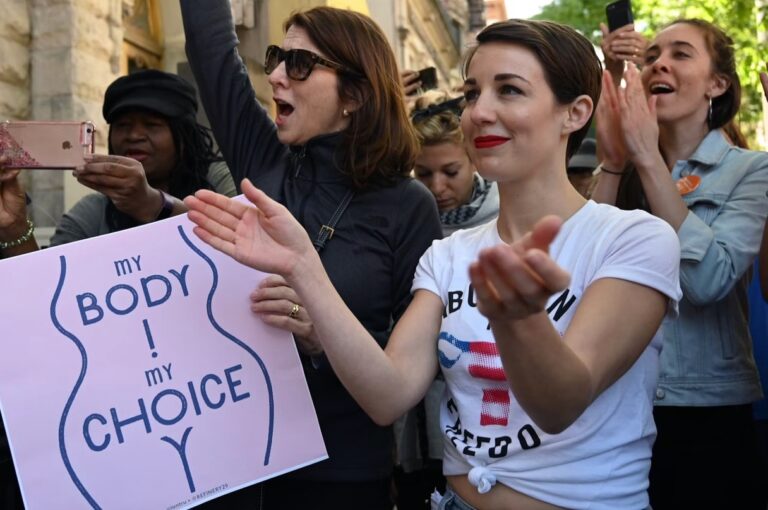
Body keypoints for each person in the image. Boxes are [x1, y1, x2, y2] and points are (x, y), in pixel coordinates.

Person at [185, 18, 682, 510]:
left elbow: (560, 405)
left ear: (574, 113)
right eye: (471, 93)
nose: (479, 112)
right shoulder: (448, 254)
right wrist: (302, 266)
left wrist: (519, 317)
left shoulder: (634, 239)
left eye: (509, 91)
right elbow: (387, 395)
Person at [179, 2, 441, 508]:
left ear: (356, 94)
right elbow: (210, 47)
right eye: (278, 57)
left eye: (299, 65)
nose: (275, 76)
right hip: (232, 466)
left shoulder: (409, 207)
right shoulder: (263, 159)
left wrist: (319, 334)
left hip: (340, 474)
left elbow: (409, 367)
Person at [592, 19, 768, 509]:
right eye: (652, 57)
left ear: (717, 85)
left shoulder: (751, 170)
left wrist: (647, 160)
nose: (659, 63)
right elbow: (581, 278)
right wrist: (611, 162)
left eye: (681, 54)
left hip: (706, 414)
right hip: (619, 407)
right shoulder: (625, 169)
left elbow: (707, 281)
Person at [0, 69, 235, 253]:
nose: (134, 136)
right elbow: (48, 287)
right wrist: (14, 228)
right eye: (123, 126)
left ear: (184, 136)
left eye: (152, 125)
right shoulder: (92, 212)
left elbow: (241, 242)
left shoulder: (221, 179)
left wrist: (152, 204)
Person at [410, 90, 499, 236]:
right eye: (423, 174)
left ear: (475, 161)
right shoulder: (406, 220)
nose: (437, 188)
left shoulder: (507, 211)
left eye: (451, 172)